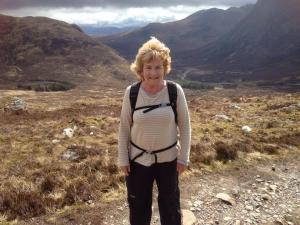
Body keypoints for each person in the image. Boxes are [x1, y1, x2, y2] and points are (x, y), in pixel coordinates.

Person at [118, 36, 191, 225]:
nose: (153, 72)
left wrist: (183, 157)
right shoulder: (131, 93)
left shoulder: (175, 91)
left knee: (170, 207)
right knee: (139, 208)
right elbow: (124, 128)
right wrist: (123, 158)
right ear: (140, 69)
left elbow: (185, 126)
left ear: (165, 68)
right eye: (148, 68)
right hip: (137, 162)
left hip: (169, 161)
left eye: (158, 67)